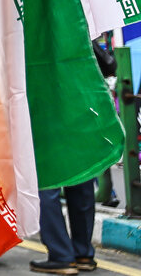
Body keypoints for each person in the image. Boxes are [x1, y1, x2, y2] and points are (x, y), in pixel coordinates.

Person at [31, 39, 117, 274]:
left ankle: (61, 253)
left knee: (45, 184)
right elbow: (109, 65)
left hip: (46, 111)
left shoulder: (32, 25)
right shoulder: (73, 21)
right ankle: (83, 253)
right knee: (80, 178)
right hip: (80, 109)